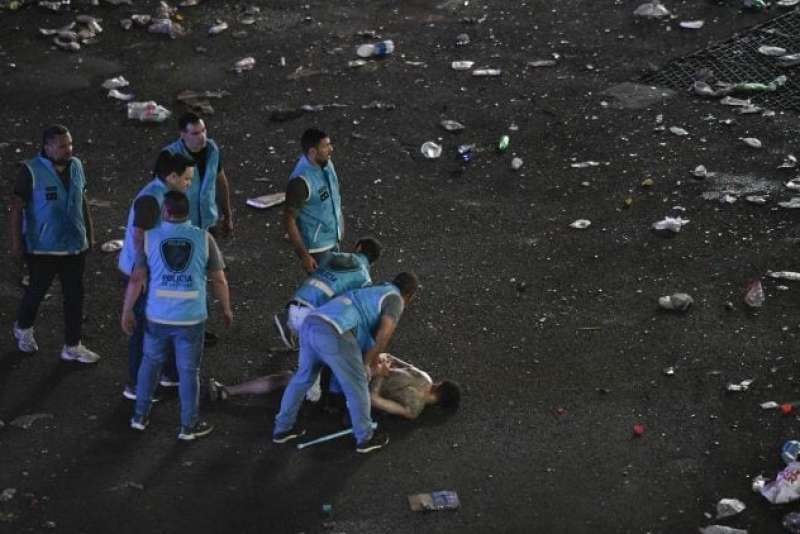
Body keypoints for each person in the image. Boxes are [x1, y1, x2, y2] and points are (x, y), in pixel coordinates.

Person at [121, 191, 233, 441]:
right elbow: (219, 279)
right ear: (187, 212)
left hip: (157, 315)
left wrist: (127, 310)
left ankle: (139, 416)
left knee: (149, 364)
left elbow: (137, 279)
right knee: (188, 372)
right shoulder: (203, 239)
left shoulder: (150, 239)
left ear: (166, 212)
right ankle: (188, 425)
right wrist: (225, 308)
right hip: (191, 318)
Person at [272, 272, 419, 454]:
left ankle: (282, 428)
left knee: (303, 377)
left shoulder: (374, 289)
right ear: (410, 296)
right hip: (336, 330)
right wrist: (368, 365)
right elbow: (383, 335)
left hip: (312, 322)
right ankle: (365, 438)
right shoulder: (396, 299)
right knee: (357, 385)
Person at [10, 124, 100, 363]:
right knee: (37, 291)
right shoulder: (30, 171)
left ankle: (72, 345)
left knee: (75, 296)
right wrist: (17, 244)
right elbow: (17, 209)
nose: (68, 149)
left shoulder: (77, 166)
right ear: (47, 146)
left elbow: (82, 201)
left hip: (74, 246)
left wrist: (89, 234)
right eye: (62, 145)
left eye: (70, 144)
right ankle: (23, 327)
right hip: (43, 248)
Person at [117, 152, 195, 401]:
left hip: (150, 273)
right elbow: (140, 238)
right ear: (172, 176)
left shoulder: (162, 194)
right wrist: (147, 275)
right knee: (143, 332)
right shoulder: (152, 199)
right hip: (142, 275)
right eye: (186, 179)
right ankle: (136, 386)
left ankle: (168, 374)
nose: (188, 184)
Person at [157, 112, 233, 347]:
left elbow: (220, 179)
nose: (201, 137)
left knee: (200, 276)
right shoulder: (169, 156)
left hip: (205, 223)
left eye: (203, 131)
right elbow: (159, 194)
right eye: (195, 133)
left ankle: (197, 324)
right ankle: (177, 326)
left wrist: (227, 213)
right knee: (181, 276)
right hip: (180, 226)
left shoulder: (212, 150)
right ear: (182, 135)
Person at [208, 353, 461, 421]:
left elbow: (387, 358)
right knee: (290, 378)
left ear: (438, 385)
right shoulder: (412, 410)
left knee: (290, 377)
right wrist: (380, 372)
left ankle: (228, 391)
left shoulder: (422, 381)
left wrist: (380, 370)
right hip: (349, 385)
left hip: (349, 377)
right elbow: (373, 400)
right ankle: (228, 391)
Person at [273, 236, 383, 350]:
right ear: (373, 261)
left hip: (295, 303)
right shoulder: (365, 280)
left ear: (359, 247)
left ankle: (291, 321)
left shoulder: (331, 256)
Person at [284, 128, 343, 274]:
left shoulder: (326, 164)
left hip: (333, 238)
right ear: (312, 152)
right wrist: (304, 256)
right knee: (325, 290)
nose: (331, 149)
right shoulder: (300, 181)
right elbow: (289, 220)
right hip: (318, 248)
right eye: (325, 146)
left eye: (329, 144)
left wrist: (340, 223)